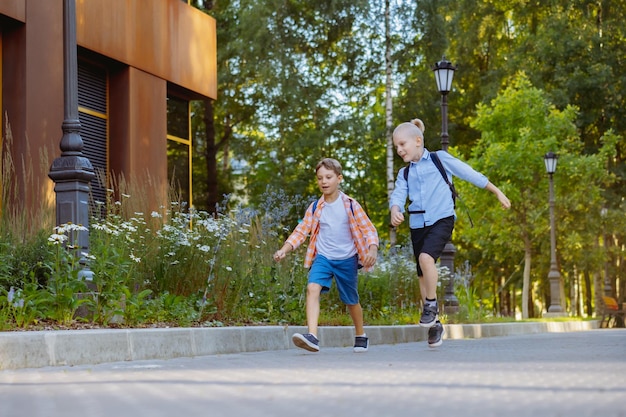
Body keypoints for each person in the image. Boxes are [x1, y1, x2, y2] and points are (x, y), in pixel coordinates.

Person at [389, 118, 511, 348]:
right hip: (417, 224)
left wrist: (496, 191)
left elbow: (469, 173)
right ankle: (434, 324)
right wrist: (395, 209)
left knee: (426, 259)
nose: (399, 149)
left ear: (417, 141)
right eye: (396, 146)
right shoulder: (404, 173)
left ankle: (432, 304)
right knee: (423, 277)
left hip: (442, 219)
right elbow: (398, 195)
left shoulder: (439, 159)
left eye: (402, 144)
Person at [274, 158, 379, 353]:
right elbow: (300, 231)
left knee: (351, 300)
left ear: (339, 178)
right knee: (312, 287)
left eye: (329, 177)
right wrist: (284, 249)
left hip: (347, 259)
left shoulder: (350, 205)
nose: (324, 181)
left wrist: (372, 249)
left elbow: (369, 230)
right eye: (320, 178)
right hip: (323, 257)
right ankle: (312, 336)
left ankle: (360, 334)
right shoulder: (316, 208)